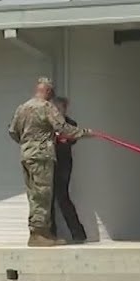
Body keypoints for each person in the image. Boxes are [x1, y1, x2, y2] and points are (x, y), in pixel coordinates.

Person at [8, 78, 91, 247]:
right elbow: (63, 128)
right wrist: (85, 133)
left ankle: (39, 232)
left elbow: (12, 131)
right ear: (47, 91)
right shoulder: (46, 107)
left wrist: (27, 143)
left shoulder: (22, 108)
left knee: (34, 195)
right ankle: (39, 234)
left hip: (27, 155)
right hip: (42, 156)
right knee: (43, 194)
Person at [51, 96, 88, 243]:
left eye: (62, 108)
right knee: (47, 200)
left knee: (62, 197)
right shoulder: (48, 124)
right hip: (48, 164)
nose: (59, 111)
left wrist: (63, 139)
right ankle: (50, 234)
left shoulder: (70, 124)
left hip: (63, 165)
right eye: (57, 109)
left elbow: (72, 139)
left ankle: (78, 234)